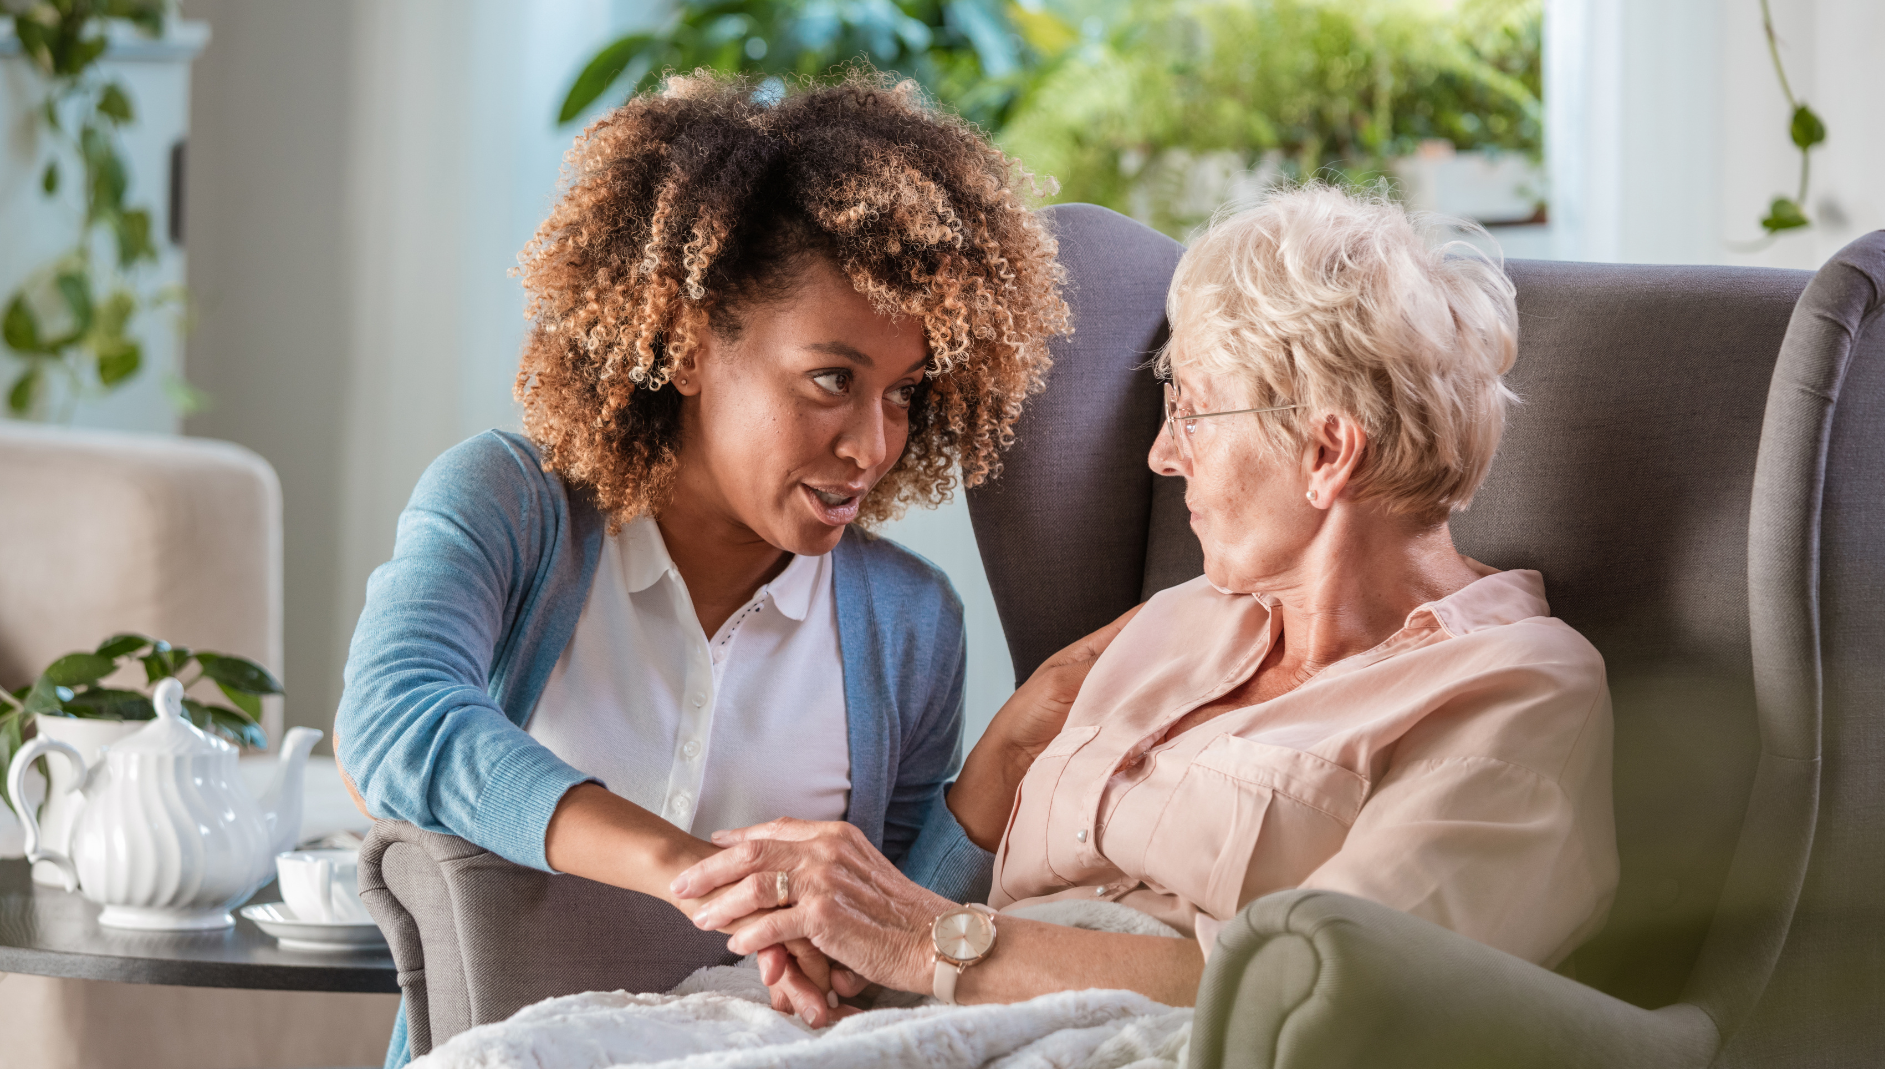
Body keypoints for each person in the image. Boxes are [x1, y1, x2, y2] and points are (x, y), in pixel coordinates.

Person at [671, 182, 1619, 1014]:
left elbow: (1327, 995)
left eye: (1192, 412)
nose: (1164, 456)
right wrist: (857, 951)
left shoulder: (1516, 693)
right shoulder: (1178, 620)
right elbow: (968, 921)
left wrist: (926, 944)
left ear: (1326, 453)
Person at [331, 71, 1070, 1063]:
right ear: (685, 342)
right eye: (831, 380)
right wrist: (708, 874)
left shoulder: (910, 620)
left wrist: (1010, 752)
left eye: (904, 394)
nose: (872, 445)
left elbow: (883, 953)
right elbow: (395, 724)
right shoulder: (507, 507)